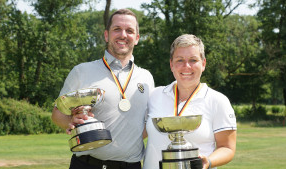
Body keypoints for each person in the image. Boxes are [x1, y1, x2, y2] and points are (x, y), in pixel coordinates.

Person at [52, 9, 154, 169]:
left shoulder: (146, 78)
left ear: (137, 38)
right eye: (117, 29)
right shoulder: (82, 71)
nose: (123, 35)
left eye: (129, 31)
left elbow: (148, 124)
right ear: (106, 35)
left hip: (131, 166)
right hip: (87, 164)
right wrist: (71, 121)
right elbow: (57, 114)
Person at [143, 34, 237, 169]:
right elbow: (138, 134)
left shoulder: (218, 101)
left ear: (203, 64)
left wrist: (208, 161)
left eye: (193, 60)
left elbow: (227, 148)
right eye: (180, 60)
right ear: (171, 64)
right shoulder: (154, 95)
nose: (186, 66)